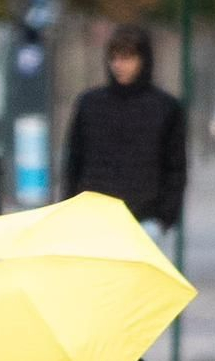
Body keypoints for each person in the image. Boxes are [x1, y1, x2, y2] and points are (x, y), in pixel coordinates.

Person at [61, 24, 187, 240]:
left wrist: (163, 218)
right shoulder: (90, 104)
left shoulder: (165, 108)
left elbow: (175, 167)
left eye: (127, 57)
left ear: (142, 60)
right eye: (115, 58)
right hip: (93, 216)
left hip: (145, 219)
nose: (119, 65)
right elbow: (74, 161)